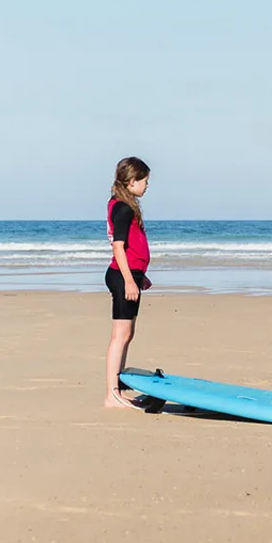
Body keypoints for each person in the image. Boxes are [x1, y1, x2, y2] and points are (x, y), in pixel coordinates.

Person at [104, 157, 152, 408]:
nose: (147, 186)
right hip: (123, 277)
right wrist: (128, 281)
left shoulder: (124, 204)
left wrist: (138, 276)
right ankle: (112, 394)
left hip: (130, 275)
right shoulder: (123, 207)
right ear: (132, 181)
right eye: (144, 181)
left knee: (126, 334)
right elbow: (118, 247)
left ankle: (118, 390)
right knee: (120, 336)